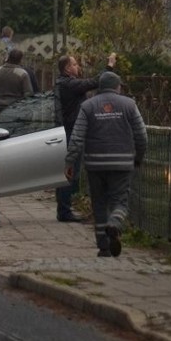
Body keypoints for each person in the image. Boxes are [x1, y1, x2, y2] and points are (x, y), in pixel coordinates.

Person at [65, 72, 147, 258]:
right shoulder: (129, 105)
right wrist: (138, 157)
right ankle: (115, 223)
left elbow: (77, 137)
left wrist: (70, 161)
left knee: (99, 203)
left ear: (100, 87)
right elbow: (142, 136)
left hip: (95, 164)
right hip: (122, 163)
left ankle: (103, 247)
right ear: (118, 86)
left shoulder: (87, 106)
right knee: (120, 201)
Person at [54, 52, 117, 222]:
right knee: (70, 172)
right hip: (72, 131)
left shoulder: (64, 83)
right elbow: (94, 82)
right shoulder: (69, 84)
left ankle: (64, 208)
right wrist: (109, 66)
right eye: (74, 64)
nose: (78, 67)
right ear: (67, 68)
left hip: (69, 130)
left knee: (69, 171)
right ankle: (65, 210)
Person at [0, 48, 32, 114]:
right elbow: (28, 93)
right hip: (16, 108)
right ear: (20, 60)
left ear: (8, 57)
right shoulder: (22, 73)